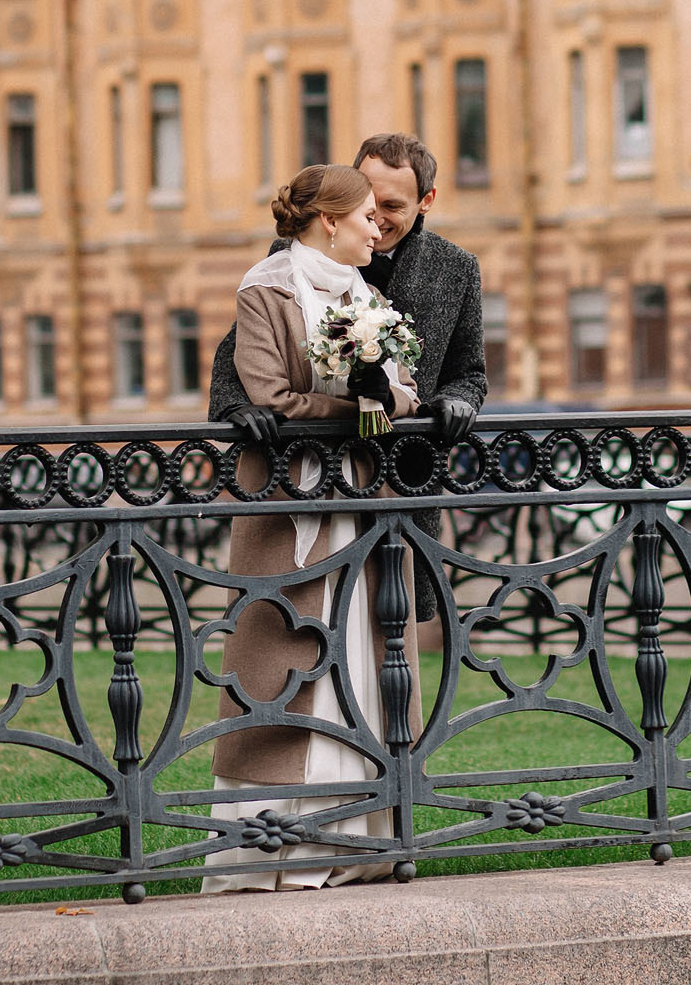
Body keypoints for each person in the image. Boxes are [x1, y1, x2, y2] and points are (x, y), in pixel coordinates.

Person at [203, 163, 421, 893]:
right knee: (291, 659)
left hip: (360, 499)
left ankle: (361, 839)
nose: (376, 228)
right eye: (365, 218)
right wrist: (356, 405)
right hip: (291, 500)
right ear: (330, 221)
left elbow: (405, 388)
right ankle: (276, 849)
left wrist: (383, 393)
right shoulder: (266, 287)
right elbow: (268, 393)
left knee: (362, 655)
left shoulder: (367, 294)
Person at [210, 133, 486, 446]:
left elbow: (468, 372)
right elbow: (246, 345)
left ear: (426, 201)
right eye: (368, 205)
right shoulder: (295, 255)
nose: (377, 221)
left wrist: (456, 402)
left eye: (392, 206)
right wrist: (236, 404)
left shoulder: (455, 266)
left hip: (408, 461)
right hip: (303, 451)